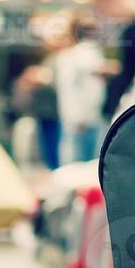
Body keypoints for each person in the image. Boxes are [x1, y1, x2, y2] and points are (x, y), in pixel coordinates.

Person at [47, 12, 107, 164]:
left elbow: (92, 89)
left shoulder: (84, 54)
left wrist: (81, 117)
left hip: (83, 122)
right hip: (72, 121)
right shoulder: (67, 57)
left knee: (81, 170)